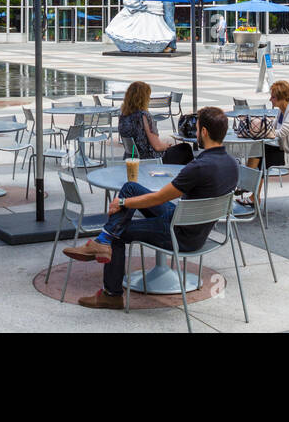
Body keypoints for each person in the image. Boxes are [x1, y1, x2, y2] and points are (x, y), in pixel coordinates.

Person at [67, 107, 239, 310]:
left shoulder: (198, 167)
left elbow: (159, 197)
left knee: (118, 233)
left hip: (179, 235)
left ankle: (111, 293)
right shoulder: (232, 164)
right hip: (195, 229)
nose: (195, 131)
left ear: (204, 133)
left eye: (197, 126)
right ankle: (103, 241)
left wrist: (122, 203)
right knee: (131, 188)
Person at [242, 80, 289, 207]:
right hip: (284, 150)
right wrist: (260, 130)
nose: (270, 99)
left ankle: (249, 189)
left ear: (281, 98)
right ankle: (249, 188)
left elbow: (280, 133)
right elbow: (272, 129)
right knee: (259, 150)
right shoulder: (282, 111)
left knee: (262, 157)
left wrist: (261, 132)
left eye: (273, 97)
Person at [116, 80, 193, 165]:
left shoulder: (123, 115)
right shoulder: (143, 116)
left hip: (131, 158)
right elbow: (157, 146)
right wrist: (166, 146)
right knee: (185, 148)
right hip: (150, 159)